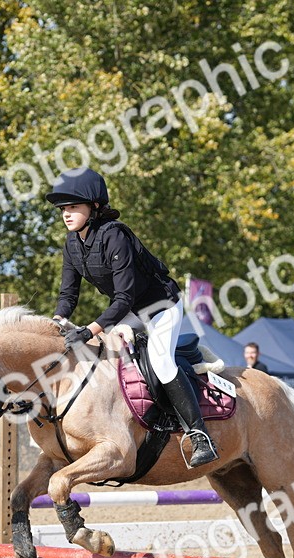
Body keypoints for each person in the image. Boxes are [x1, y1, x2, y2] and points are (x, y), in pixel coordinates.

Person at [46, 167, 218, 467]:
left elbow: (123, 298)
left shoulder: (115, 236)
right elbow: (68, 295)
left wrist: (89, 330)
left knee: (161, 362)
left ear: (94, 207)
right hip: (130, 311)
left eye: (74, 207)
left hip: (160, 306)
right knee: (105, 359)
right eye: (64, 208)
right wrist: (57, 321)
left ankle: (200, 435)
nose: (66, 214)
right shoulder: (72, 244)